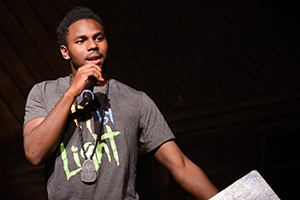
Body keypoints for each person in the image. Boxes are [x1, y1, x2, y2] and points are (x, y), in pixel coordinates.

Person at [23, 6, 219, 200]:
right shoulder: (44, 92)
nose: (93, 45)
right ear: (65, 52)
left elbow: (180, 165)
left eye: (98, 38)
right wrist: (71, 93)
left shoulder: (136, 100)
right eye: (81, 41)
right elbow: (34, 153)